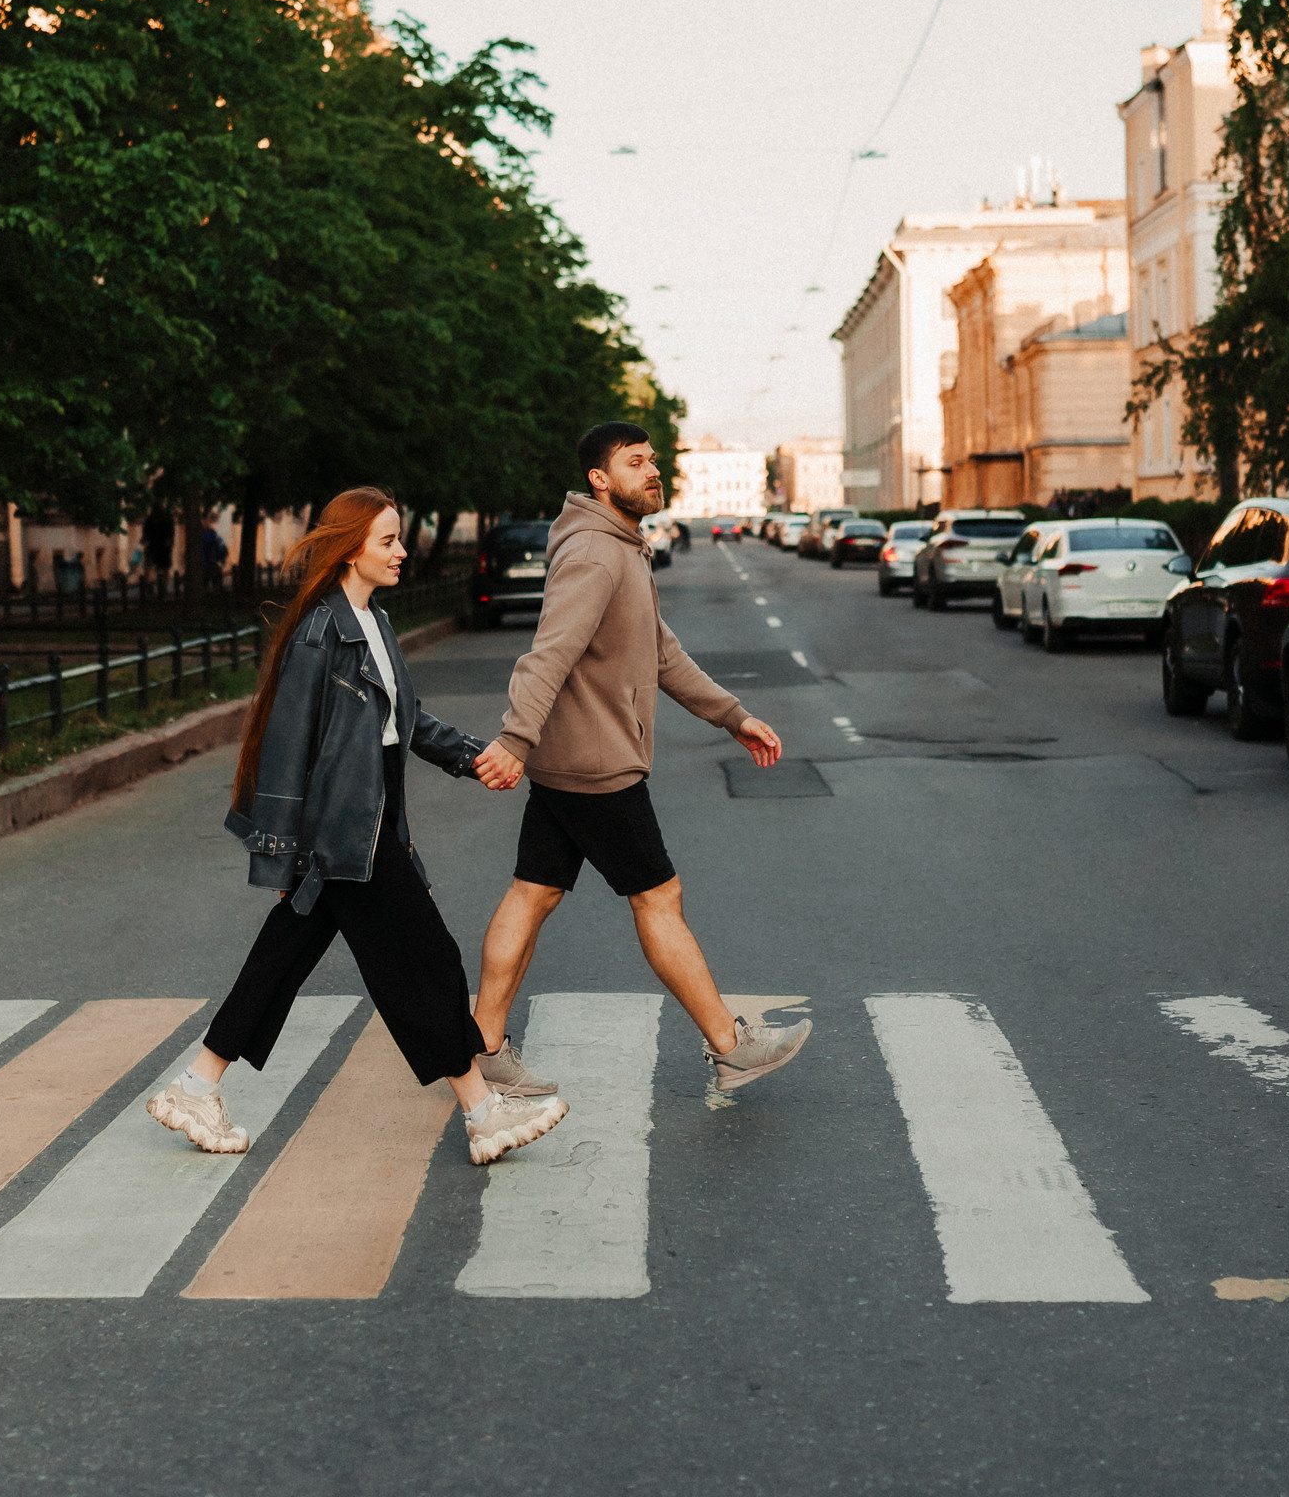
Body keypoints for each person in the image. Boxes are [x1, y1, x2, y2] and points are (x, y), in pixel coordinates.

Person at [147, 487, 569, 1168]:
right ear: (350, 550)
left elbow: (405, 722)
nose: (402, 551)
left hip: (372, 821)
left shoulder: (375, 622)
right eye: (388, 541)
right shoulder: (321, 633)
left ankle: (196, 1086)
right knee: (427, 961)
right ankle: (482, 1111)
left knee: (281, 963)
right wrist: (284, 857)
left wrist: (472, 757)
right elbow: (286, 748)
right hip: (344, 836)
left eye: (400, 539)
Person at [470, 423, 813, 1102]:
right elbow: (549, 652)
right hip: (597, 763)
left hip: (572, 759)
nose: (652, 471)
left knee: (532, 892)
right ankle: (730, 1046)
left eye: (653, 461)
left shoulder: (622, 547)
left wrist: (732, 715)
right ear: (601, 478)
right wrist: (514, 738)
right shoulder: (598, 555)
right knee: (658, 896)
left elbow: (661, 655)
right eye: (636, 462)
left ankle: (481, 1048)